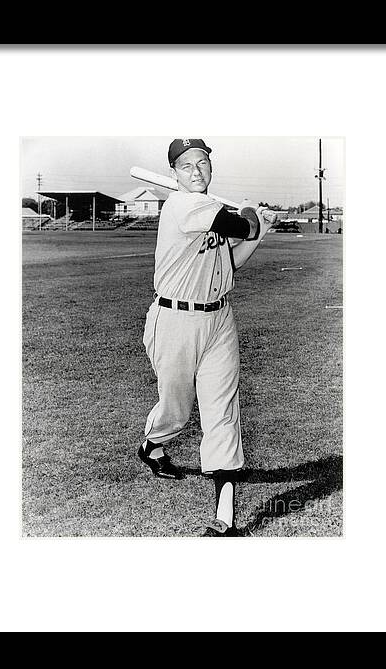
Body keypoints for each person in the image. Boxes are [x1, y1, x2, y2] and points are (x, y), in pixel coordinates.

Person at [137, 138, 277, 536]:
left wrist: (260, 231)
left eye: (202, 163)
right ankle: (153, 444)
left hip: (219, 319)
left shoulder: (207, 209)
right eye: (186, 166)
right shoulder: (182, 205)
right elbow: (237, 225)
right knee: (177, 408)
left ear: (210, 167)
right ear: (174, 175)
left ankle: (225, 517)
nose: (196, 171)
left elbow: (230, 260)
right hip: (174, 319)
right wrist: (251, 216)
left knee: (222, 411)